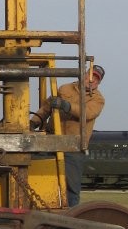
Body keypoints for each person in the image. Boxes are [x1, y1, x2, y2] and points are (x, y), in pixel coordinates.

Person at [30, 64, 105, 207]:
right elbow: (47, 107)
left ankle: (71, 216)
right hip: (52, 142)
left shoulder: (98, 100)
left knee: (71, 188)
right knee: (40, 174)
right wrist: (34, 122)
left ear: (98, 83)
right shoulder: (64, 88)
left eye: (95, 79)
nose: (91, 80)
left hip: (73, 148)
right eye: (90, 76)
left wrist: (67, 106)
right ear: (84, 74)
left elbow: (87, 113)